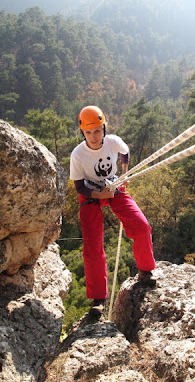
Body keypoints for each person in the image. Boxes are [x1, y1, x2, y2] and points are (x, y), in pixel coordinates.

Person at [70, 105, 156, 316]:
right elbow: (80, 187)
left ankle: (145, 270)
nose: (93, 136)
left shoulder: (112, 142)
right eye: (88, 132)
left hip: (114, 186)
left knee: (141, 226)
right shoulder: (78, 154)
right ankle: (98, 299)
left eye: (97, 130)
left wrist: (124, 174)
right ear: (83, 132)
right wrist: (100, 196)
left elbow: (125, 152)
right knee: (92, 245)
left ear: (104, 128)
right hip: (90, 194)